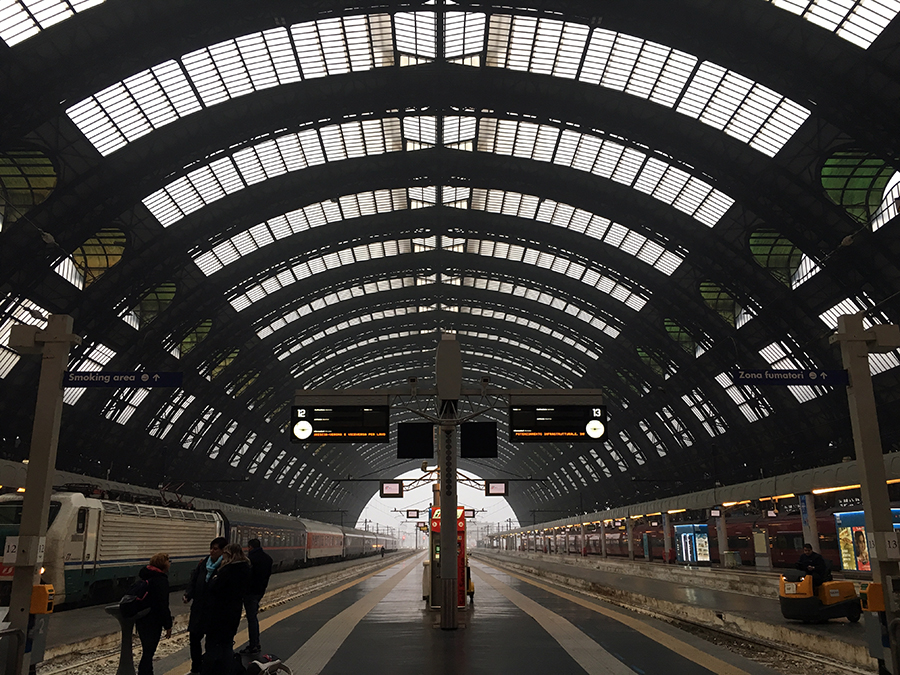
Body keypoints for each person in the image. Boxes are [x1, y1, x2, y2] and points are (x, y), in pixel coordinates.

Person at [202, 542, 252, 675]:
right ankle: (227, 669)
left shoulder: (227, 570)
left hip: (219, 612)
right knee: (228, 643)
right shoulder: (245, 568)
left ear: (229, 555)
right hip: (234, 611)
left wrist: (214, 579)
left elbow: (214, 587)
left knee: (214, 644)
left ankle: (215, 670)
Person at [183, 536, 227, 675]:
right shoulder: (203, 565)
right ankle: (196, 668)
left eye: (215, 549)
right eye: (211, 548)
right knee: (194, 640)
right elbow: (194, 581)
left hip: (214, 612)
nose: (212, 552)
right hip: (198, 609)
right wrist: (188, 594)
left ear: (222, 551)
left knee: (211, 643)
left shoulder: (224, 567)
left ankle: (207, 669)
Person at [135, 552, 173, 675]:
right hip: (153, 620)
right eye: (168, 561)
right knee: (149, 652)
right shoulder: (161, 581)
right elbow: (163, 605)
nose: (169, 563)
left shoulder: (145, 575)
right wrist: (168, 625)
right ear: (163, 564)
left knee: (147, 649)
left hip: (141, 618)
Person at [240, 538, 273, 655]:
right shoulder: (268, 559)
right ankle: (255, 643)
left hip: (250, 592)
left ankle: (254, 644)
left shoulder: (250, 560)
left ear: (250, 547)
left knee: (252, 618)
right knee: (253, 617)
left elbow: (246, 577)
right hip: (260, 591)